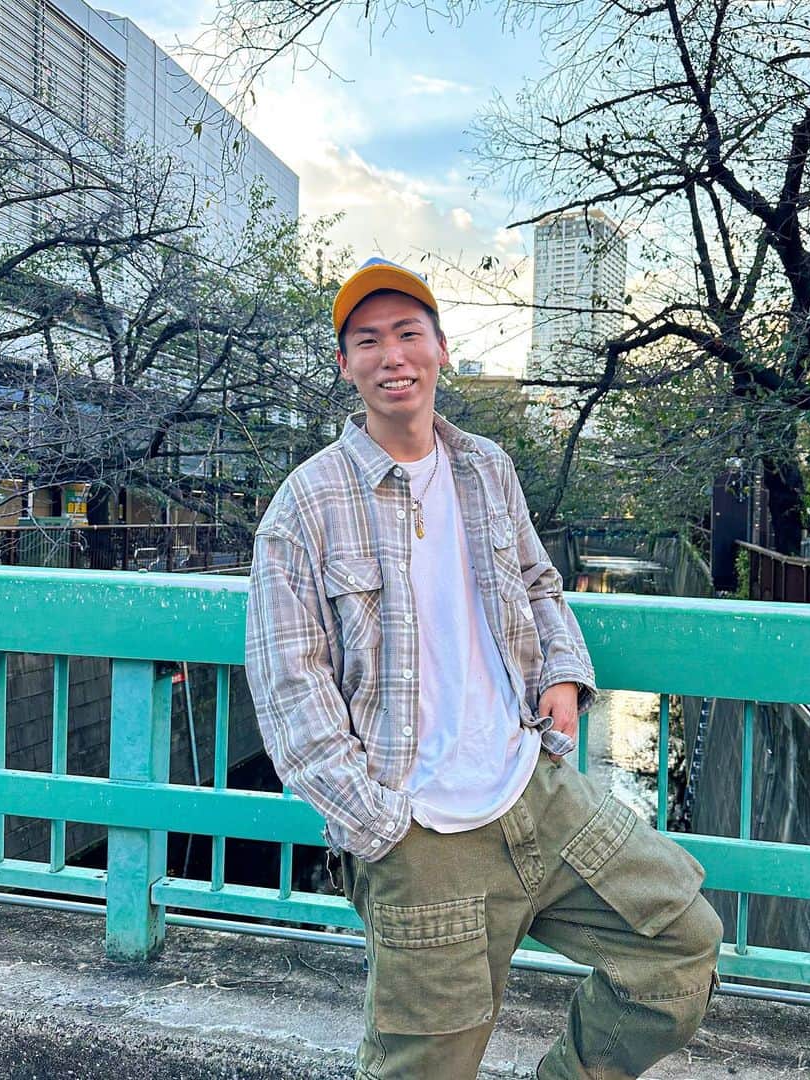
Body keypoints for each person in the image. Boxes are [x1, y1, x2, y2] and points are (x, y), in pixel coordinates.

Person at [245, 257, 721, 1079]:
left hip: (535, 786)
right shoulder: (306, 505)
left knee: (680, 946)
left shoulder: (485, 467)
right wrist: (381, 829)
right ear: (345, 364)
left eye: (408, 334)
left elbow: (537, 581)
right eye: (368, 341)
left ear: (440, 349)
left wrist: (561, 673)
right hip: (418, 828)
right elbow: (291, 687)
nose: (393, 356)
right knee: (425, 1067)